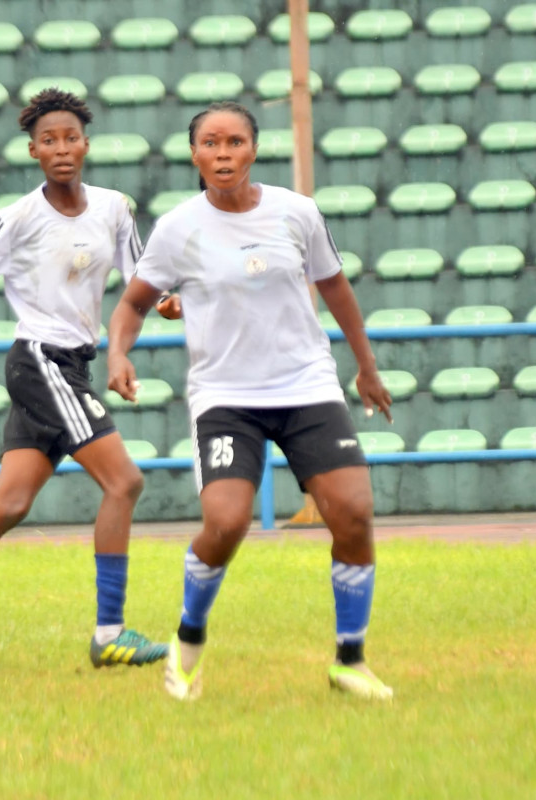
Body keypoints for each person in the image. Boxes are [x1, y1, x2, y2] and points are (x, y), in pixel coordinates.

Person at [106, 101, 395, 701]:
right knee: (227, 522)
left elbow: (334, 287)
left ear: (253, 150)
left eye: (234, 142)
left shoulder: (298, 212)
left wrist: (365, 367)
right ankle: (188, 643)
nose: (222, 154)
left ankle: (350, 661)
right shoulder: (179, 228)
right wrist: (118, 353)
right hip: (226, 396)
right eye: (210, 144)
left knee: (354, 513)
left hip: (306, 385)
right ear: (195, 155)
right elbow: (134, 302)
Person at [0, 88, 168, 668]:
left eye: (70, 138)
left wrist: (166, 303)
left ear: (86, 145)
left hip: (72, 365)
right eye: (49, 140)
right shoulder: (15, 218)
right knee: (125, 483)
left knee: (10, 504)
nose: (62, 148)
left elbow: (141, 283)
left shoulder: (115, 208)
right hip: (40, 362)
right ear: (33, 151)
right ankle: (109, 633)